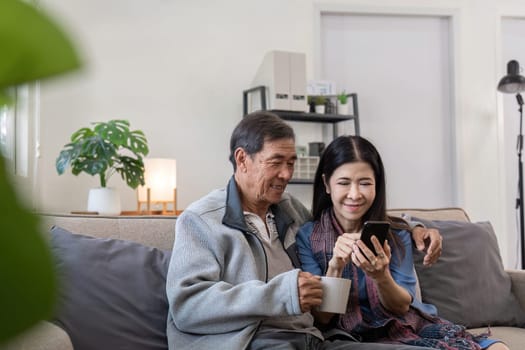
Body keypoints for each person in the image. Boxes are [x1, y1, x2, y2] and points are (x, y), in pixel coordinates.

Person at [166, 111, 442, 350]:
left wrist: (414, 228)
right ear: (242, 160)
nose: (287, 174)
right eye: (275, 162)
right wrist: (281, 295)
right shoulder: (201, 220)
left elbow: (347, 215)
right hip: (250, 342)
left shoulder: (289, 210)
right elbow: (186, 307)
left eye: (291, 162)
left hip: (311, 339)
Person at [296, 135, 508, 349]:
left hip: (407, 325)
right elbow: (323, 318)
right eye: (344, 183)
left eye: (365, 183)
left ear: (377, 185)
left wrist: (381, 276)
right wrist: (335, 267)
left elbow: (401, 307)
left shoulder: (396, 234)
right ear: (327, 184)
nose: (355, 194)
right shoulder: (308, 236)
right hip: (350, 335)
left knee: (498, 347)